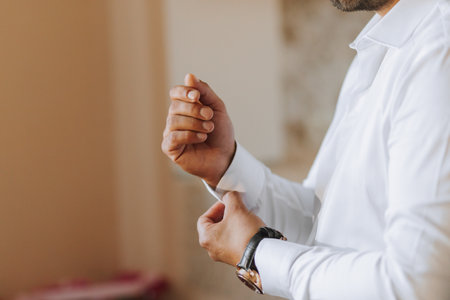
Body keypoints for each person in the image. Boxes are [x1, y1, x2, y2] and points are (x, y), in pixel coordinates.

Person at [161, 0, 450, 298]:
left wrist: (256, 253)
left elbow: (416, 286)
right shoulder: (383, 44)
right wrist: (226, 166)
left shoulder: (439, 48)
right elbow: (320, 223)